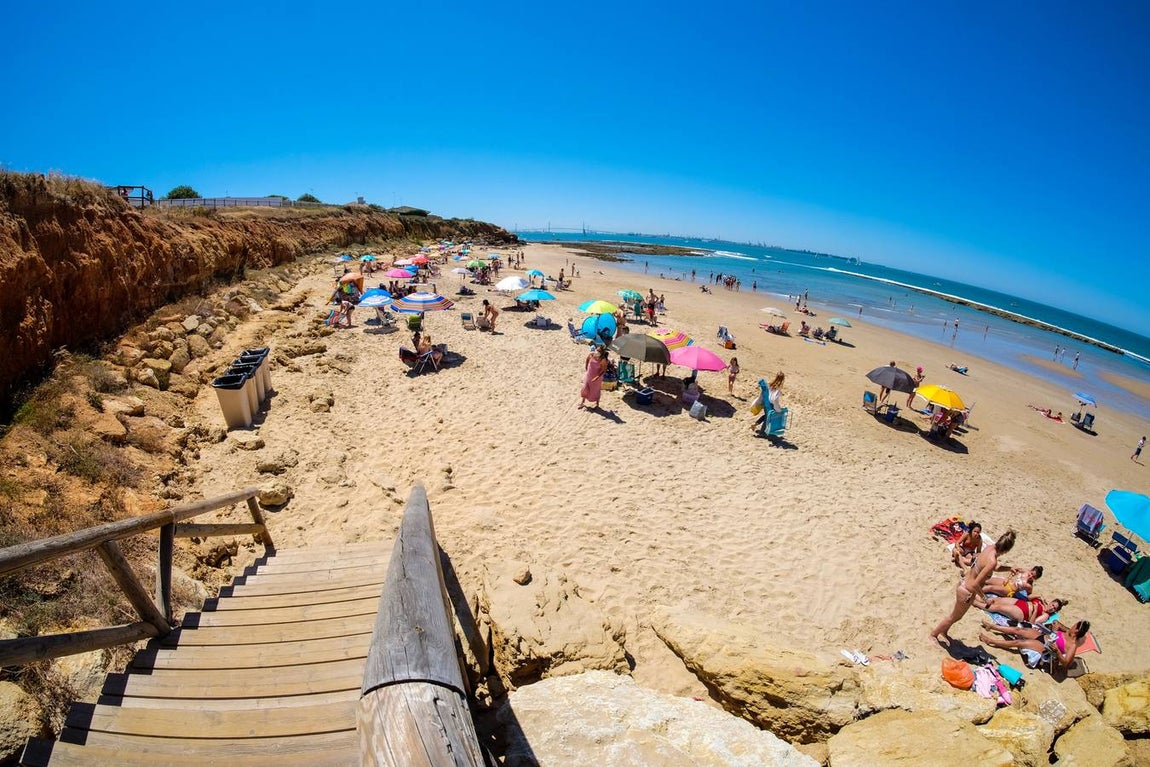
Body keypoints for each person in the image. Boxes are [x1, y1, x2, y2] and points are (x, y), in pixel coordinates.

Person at [931, 530, 1016, 644]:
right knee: (954, 616)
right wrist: (985, 599)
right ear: (1007, 550)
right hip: (967, 591)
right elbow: (976, 583)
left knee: (956, 616)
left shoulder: (989, 548)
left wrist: (1009, 568)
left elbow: (993, 567)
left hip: (964, 584)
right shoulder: (992, 560)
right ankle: (934, 635)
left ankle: (944, 631)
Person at [980, 618, 1090, 671]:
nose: (1071, 626)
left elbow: (1066, 663)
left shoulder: (1072, 645)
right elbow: (1057, 624)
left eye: (1074, 626)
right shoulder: (1068, 631)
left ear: (1076, 631)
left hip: (1045, 648)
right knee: (1018, 630)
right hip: (1043, 636)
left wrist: (1057, 651)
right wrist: (1055, 626)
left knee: (1018, 643)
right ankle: (992, 627)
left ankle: (991, 641)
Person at [981, 595, 1064, 625]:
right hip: (1021, 603)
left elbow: (1032, 623)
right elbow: (1027, 598)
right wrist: (1038, 596)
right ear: (1051, 602)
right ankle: (979, 599)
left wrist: (1035, 611)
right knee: (997, 600)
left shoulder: (1045, 616)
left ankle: (976, 603)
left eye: (1054, 608)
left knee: (998, 607)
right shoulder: (1042, 602)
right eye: (1053, 605)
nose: (1052, 608)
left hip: (1022, 613)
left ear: (1054, 611)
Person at [578, 345, 609, 410]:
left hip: (597, 378)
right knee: (585, 388)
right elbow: (587, 360)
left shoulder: (602, 360)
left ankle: (597, 404)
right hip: (589, 375)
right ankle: (582, 402)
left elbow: (604, 370)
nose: (597, 352)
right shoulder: (591, 355)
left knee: (595, 390)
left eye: (599, 351)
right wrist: (586, 369)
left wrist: (596, 377)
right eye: (596, 350)